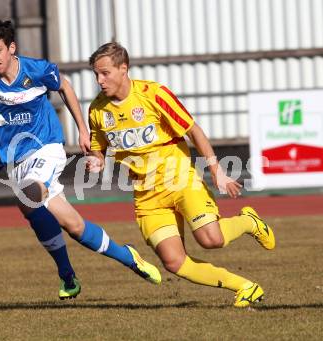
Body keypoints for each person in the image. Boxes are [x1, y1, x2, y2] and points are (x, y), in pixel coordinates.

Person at [0, 20, 161, 300]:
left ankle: (68, 273)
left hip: (47, 148)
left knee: (30, 196)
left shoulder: (36, 69)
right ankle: (121, 258)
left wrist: (82, 129)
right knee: (74, 226)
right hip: (14, 163)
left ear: (11, 48)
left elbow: (64, 86)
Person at [86, 42, 276, 308]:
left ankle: (248, 221)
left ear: (123, 69)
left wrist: (216, 171)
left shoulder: (154, 95)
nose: (99, 80)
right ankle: (245, 287)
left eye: (104, 73)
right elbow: (98, 149)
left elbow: (193, 130)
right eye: (96, 74)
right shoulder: (97, 110)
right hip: (147, 195)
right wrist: (95, 162)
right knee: (174, 262)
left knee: (211, 239)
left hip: (181, 181)